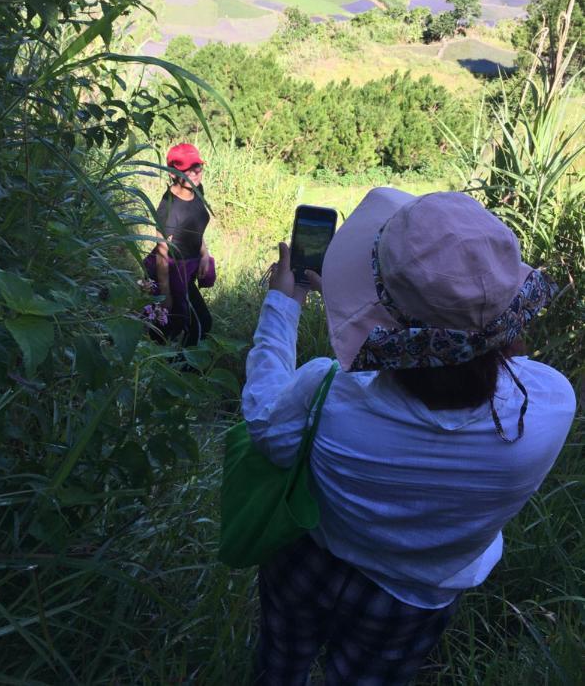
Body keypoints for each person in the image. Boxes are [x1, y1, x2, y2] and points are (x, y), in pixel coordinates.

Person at [243, 188, 575, 686]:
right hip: (416, 597)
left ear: (383, 309)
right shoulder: (549, 406)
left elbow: (266, 425)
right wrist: (485, 314)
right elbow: (512, 360)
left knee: (279, 665)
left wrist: (283, 304)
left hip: (310, 558)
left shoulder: (327, 391)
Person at [148, 142, 213, 345]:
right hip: (172, 270)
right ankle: (180, 369)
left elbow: (195, 229)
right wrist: (166, 294)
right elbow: (162, 253)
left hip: (190, 267)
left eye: (197, 167)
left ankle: (172, 363)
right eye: (184, 168)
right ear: (172, 173)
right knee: (197, 323)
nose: (193, 173)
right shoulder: (168, 208)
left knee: (181, 324)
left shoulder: (198, 190)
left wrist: (204, 254)